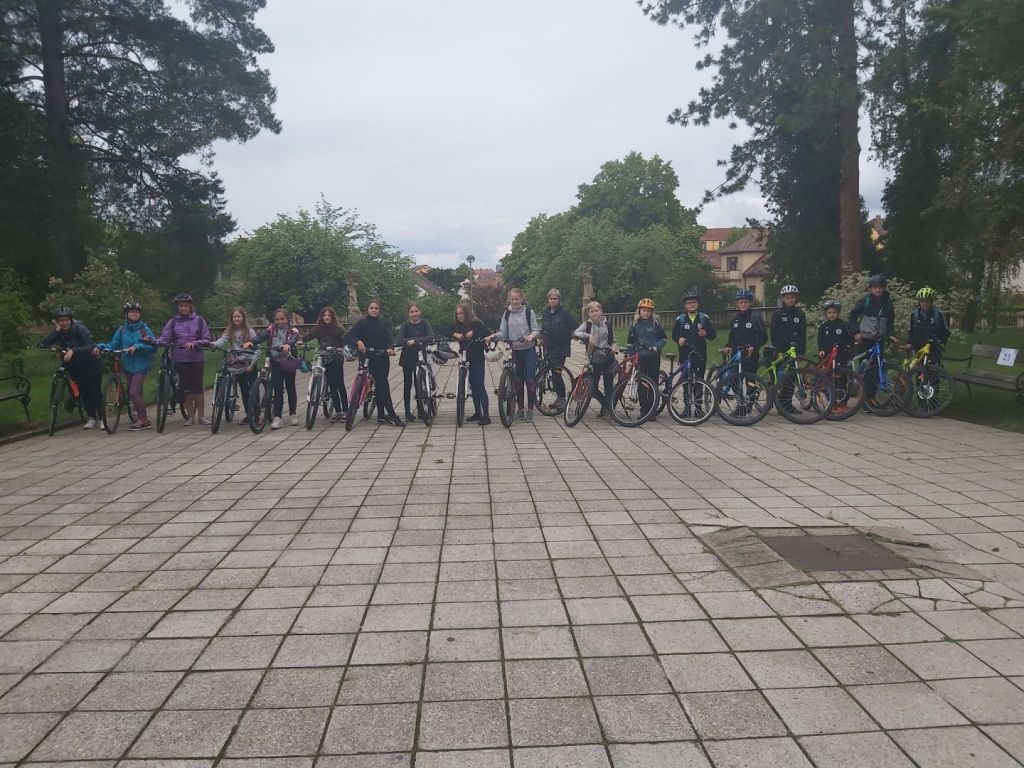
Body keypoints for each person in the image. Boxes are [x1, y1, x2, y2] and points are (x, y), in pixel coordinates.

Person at [37, 307, 103, 429]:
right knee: (83, 391)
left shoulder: (80, 329)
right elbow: (43, 344)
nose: (64, 323)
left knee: (94, 391)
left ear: (71, 320)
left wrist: (73, 350)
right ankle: (91, 417)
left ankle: (102, 418)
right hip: (75, 366)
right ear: (57, 322)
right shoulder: (60, 332)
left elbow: (90, 346)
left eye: (66, 320)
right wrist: (56, 331)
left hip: (90, 364)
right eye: (61, 321)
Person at [95, 300, 156, 431]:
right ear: (126, 314)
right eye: (131, 312)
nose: (134, 314)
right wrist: (100, 347)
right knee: (134, 392)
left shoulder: (144, 329)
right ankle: (137, 415)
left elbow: (152, 346)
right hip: (127, 365)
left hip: (141, 365)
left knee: (133, 392)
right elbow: (113, 344)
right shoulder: (122, 330)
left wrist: (137, 347)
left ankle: (144, 421)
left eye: (136, 312)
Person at [153, 293, 211, 426]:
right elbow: (165, 338)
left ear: (190, 306)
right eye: (181, 306)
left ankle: (201, 416)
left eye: (185, 305)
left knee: (198, 388)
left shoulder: (199, 320)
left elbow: (207, 339)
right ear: (178, 307)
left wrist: (195, 343)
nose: (183, 308)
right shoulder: (173, 321)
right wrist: (153, 341)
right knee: (187, 389)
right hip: (180, 358)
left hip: (196, 358)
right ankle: (190, 417)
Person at [345, 298, 404, 427]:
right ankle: (387, 414)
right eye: (372, 308)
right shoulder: (361, 324)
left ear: (379, 310)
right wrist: (358, 342)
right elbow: (348, 336)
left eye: (376, 308)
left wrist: (390, 349)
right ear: (367, 309)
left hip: (381, 357)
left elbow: (389, 340)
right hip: (366, 356)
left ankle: (386, 415)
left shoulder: (383, 325)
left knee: (382, 385)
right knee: (370, 382)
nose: (374, 310)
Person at [488, 288, 540, 422]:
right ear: (509, 299)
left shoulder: (528, 312)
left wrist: (531, 336)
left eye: (517, 299)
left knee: (530, 379)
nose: (515, 301)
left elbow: (536, 330)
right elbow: (503, 332)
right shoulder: (507, 314)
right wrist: (493, 336)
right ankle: (520, 409)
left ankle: (530, 410)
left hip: (528, 349)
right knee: (518, 380)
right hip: (515, 350)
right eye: (512, 299)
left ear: (522, 299)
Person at [248, 309, 301, 429]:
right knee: (277, 389)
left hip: (289, 361)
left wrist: (288, 345)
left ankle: (293, 413)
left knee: (290, 387)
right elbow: (261, 337)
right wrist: (251, 342)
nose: (280, 321)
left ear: (287, 319)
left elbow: (293, 339)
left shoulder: (293, 330)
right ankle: (277, 416)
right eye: (277, 319)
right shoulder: (271, 330)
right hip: (275, 361)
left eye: (282, 319)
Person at [211, 307, 260, 426]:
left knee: (253, 388)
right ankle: (249, 414)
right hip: (237, 364)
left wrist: (252, 364)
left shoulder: (250, 332)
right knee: (244, 389)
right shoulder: (230, 332)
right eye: (234, 317)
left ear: (243, 318)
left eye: (239, 316)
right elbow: (222, 341)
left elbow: (257, 349)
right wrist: (212, 344)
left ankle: (257, 414)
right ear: (231, 318)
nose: (237, 319)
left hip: (249, 363)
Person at [303, 306, 348, 419]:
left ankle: (345, 410)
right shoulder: (318, 329)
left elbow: (345, 341)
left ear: (332, 317)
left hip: (336, 358)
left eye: (329, 315)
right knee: (332, 386)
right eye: (324, 315)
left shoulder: (339, 329)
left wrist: (340, 348)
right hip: (325, 358)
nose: (326, 317)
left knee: (340, 384)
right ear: (321, 317)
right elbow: (307, 337)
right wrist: (300, 341)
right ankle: (338, 411)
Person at [573, 301, 617, 416]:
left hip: (607, 358)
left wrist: (614, 347)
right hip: (594, 359)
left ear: (601, 311)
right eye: (592, 311)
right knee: (592, 387)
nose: (595, 313)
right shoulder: (587, 325)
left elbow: (614, 341)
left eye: (597, 311)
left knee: (608, 386)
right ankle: (605, 404)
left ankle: (608, 409)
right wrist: (588, 336)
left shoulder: (607, 325)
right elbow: (576, 333)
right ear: (589, 313)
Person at [452, 303, 491, 425]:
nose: (460, 316)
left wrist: (473, 333)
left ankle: (486, 415)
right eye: (458, 314)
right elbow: (444, 330)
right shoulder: (458, 326)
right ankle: (477, 412)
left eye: (462, 313)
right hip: (465, 358)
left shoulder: (475, 323)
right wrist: (455, 334)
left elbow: (486, 332)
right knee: (473, 386)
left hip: (477, 358)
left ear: (467, 313)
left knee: (479, 386)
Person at [627, 298, 667, 419]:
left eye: (648, 311)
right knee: (642, 384)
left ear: (652, 312)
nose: (646, 313)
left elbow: (663, 339)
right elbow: (630, 342)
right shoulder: (635, 325)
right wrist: (631, 355)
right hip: (641, 357)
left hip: (654, 356)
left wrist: (656, 347)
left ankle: (651, 411)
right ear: (639, 311)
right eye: (644, 310)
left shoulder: (656, 324)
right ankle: (644, 410)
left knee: (653, 383)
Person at [397, 302, 435, 423]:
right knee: (408, 384)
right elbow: (399, 340)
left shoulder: (425, 323)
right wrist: (409, 341)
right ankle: (407, 412)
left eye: (416, 311)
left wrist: (415, 341)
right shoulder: (405, 325)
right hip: (407, 357)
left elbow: (431, 336)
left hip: (420, 356)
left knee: (420, 384)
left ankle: (421, 410)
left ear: (420, 311)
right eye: (412, 312)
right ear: (408, 314)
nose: (414, 314)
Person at [540, 288, 577, 407]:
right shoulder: (545, 312)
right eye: (550, 298)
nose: (552, 301)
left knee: (557, 373)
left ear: (559, 300)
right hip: (549, 347)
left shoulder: (564, 313)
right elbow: (544, 327)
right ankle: (558, 397)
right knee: (551, 372)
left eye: (555, 299)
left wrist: (568, 335)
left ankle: (561, 397)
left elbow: (574, 326)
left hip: (561, 348)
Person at [672, 290, 716, 380]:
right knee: (685, 380)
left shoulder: (703, 318)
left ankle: (698, 390)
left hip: (700, 354)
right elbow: (674, 335)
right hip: (685, 354)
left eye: (694, 302)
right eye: (689, 303)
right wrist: (679, 338)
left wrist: (706, 333)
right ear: (685, 306)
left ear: (698, 304)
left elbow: (713, 335)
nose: (692, 304)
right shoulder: (680, 319)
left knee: (699, 381)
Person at [848, 274, 896, 356]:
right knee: (864, 362)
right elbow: (851, 317)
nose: (878, 290)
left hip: (880, 341)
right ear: (871, 289)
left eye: (880, 287)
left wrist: (890, 335)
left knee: (879, 362)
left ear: (884, 288)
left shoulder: (888, 303)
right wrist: (856, 332)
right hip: (863, 340)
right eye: (875, 287)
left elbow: (890, 321)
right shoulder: (865, 301)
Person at [724, 289, 767, 376]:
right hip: (736, 353)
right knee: (734, 379)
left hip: (750, 354)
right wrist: (728, 346)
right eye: (741, 302)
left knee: (750, 380)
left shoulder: (755, 317)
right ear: (737, 303)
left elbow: (763, 336)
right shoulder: (735, 318)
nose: (743, 304)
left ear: (750, 303)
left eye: (745, 302)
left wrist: (754, 347)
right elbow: (732, 335)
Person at [907, 287, 950, 365]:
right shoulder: (914, 314)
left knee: (933, 369)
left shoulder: (938, 314)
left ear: (931, 301)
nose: (925, 304)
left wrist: (942, 342)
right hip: (918, 347)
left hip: (934, 347)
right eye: (922, 301)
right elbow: (911, 331)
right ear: (919, 302)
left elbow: (945, 331)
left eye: (927, 301)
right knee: (918, 369)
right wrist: (910, 343)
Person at [771, 285, 806, 356]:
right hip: (782, 350)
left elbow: (803, 334)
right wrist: (777, 350)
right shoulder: (778, 314)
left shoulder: (800, 314)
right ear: (783, 299)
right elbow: (774, 334)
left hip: (796, 349)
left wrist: (802, 351)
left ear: (796, 298)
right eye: (787, 298)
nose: (790, 300)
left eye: (792, 297)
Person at [817, 300, 854, 366]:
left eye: (834, 312)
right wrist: (821, 350)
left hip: (841, 354)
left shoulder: (843, 324)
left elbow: (849, 337)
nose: (832, 315)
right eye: (829, 313)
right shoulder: (823, 326)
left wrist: (848, 347)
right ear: (826, 314)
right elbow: (820, 340)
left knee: (842, 369)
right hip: (827, 354)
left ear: (838, 313)